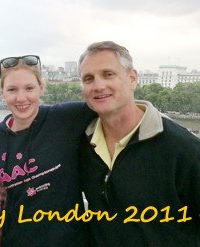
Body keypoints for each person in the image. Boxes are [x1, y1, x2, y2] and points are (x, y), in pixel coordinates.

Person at [78, 41, 200, 246]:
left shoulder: (184, 150)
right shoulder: (82, 143)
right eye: (89, 78)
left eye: (108, 74)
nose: (98, 85)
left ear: (132, 78)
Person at [0, 55, 96, 246]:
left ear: (41, 88)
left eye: (29, 88)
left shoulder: (64, 117)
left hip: (66, 240)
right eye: (12, 89)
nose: (21, 98)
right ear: (2, 93)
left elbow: (112, 107)